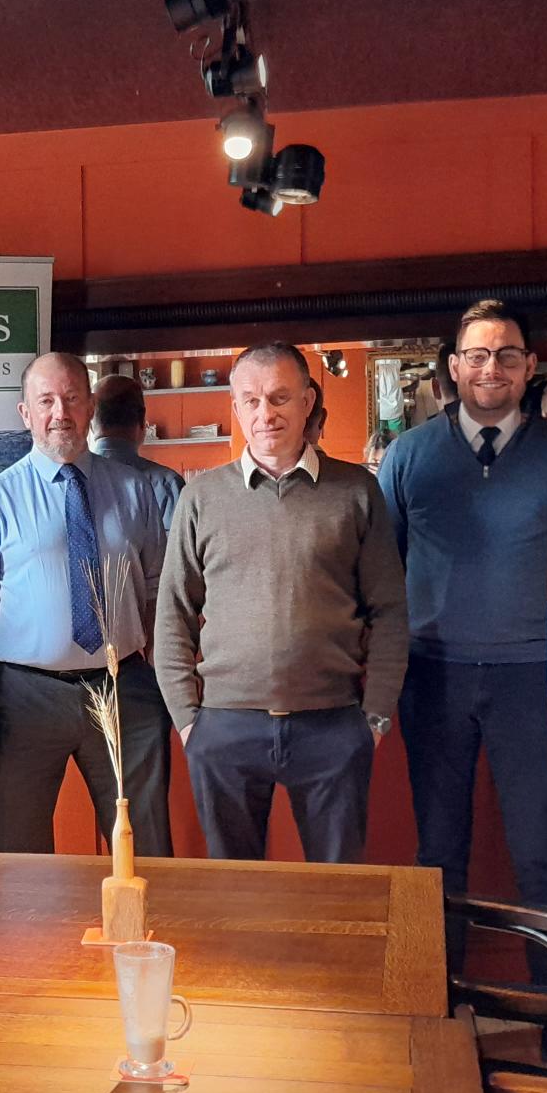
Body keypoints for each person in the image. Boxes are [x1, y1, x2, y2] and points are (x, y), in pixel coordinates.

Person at [380, 301, 547, 927]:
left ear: (529, 365)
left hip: (534, 677)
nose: (490, 368)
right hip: (433, 677)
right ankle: (439, 989)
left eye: (506, 355)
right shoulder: (408, 456)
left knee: (540, 858)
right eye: (476, 355)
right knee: (438, 855)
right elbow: (382, 570)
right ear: (454, 367)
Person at [155, 343, 407, 861]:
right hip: (224, 726)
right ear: (235, 407)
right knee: (234, 892)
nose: (265, 413)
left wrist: (376, 717)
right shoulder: (201, 498)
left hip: (332, 723)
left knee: (337, 888)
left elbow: (389, 611)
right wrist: (188, 720)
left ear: (308, 401)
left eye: (279, 397)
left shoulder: (356, 491)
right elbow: (173, 613)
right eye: (250, 400)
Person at [0, 352, 171, 856]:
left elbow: (156, 591)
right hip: (21, 699)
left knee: (146, 852)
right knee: (15, 858)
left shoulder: (136, 492)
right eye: (45, 401)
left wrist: (163, 678)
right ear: (26, 414)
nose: (59, 413)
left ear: (90, 408)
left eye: (71, 399)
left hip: (124, 690)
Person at [89, 372, 184, 527]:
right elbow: (179, 542)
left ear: (90, 423)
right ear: (142, 419)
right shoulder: (167, 485)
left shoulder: (72, 481)